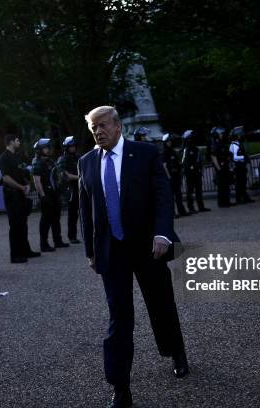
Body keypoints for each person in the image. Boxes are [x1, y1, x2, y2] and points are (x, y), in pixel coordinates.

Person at [79, 106, 187, 408]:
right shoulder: (86, 162)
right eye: (92, 128)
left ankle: (176, 351)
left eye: (102, 126)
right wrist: (90, 251)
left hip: (148, 246)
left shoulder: (145, 153)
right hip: (111, 253)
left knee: (161, 304)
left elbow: (163, 196)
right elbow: (85, 212)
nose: (97, 132)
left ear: (117, 126)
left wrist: (162, 233)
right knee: (119, 317)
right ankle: (120, 386)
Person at [0, 134, 39, 263]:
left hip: (20, 194)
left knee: (23, 223)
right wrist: (21, 187)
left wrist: (26, 184)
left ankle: (26, 250)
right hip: (12, 195)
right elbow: (6, 178)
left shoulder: (17, 157)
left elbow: (23, 172)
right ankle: (15, 255)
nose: (19, 142)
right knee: (15, 225)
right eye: (17, 140)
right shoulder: (4, 158)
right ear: (11, 142)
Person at [31, 138, 69, 252]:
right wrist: (42, 196)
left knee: (56, 218)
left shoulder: (50, 161)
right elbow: (36, 181)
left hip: (54, 193)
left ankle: (58, 241)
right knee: (46, 220)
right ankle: (44, 244)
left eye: (48, 147)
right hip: (46, 194)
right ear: (39, 150)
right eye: (45, 148)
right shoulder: (37, 162)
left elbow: (57, 176)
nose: (48, 149)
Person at [56, 136, 81, 244]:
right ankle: (72, 236)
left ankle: (85, 234)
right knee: (72, 214)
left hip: (80, 187)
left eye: (74, 146)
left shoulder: (77, 157)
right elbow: (65, 175)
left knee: (84, 213)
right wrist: (80, 177)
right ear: (66, 147)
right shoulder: (63, 159)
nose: (73, 148)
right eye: (71, 146)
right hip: (70, 188)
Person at [181, 130, 210, 213]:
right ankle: (191, 208)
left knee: (198, 190)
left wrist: (200, 169)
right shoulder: (186, 149)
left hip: (196, 172)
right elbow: (184, 162)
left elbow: (199, 161)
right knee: (190, 191)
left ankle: (201, 206)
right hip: (190, 173)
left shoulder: (195, 149)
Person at [161, 133, 189, 217]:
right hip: (170, 176)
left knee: (178, 194)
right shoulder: (165, 152)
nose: (170, 142)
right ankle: (172, 213)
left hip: (176, 175)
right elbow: (164, 165)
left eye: (170, 141)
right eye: (168, 141)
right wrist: (168, 176)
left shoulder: (172, 151)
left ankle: (181, 211)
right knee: (171, 196)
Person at [229, 127, 254, 204]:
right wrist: (244, 157)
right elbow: (234, 157)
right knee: (239, 183)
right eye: (239, 135)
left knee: (243, 182)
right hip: (238, 166)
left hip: (241, 166)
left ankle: (244, 197)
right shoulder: (234, 145)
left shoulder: (238, 144)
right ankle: (239, 199)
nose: (241, 136)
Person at [210, 127, 233, 207]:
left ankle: (226, 201)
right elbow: (213, 156)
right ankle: (222, 203)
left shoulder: (221, 143)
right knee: (221, 186)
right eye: (220, 134)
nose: (222, 135)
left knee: (226, 185)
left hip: (225, 166)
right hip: (221, 168)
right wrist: (218, 168)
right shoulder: (215, 144)